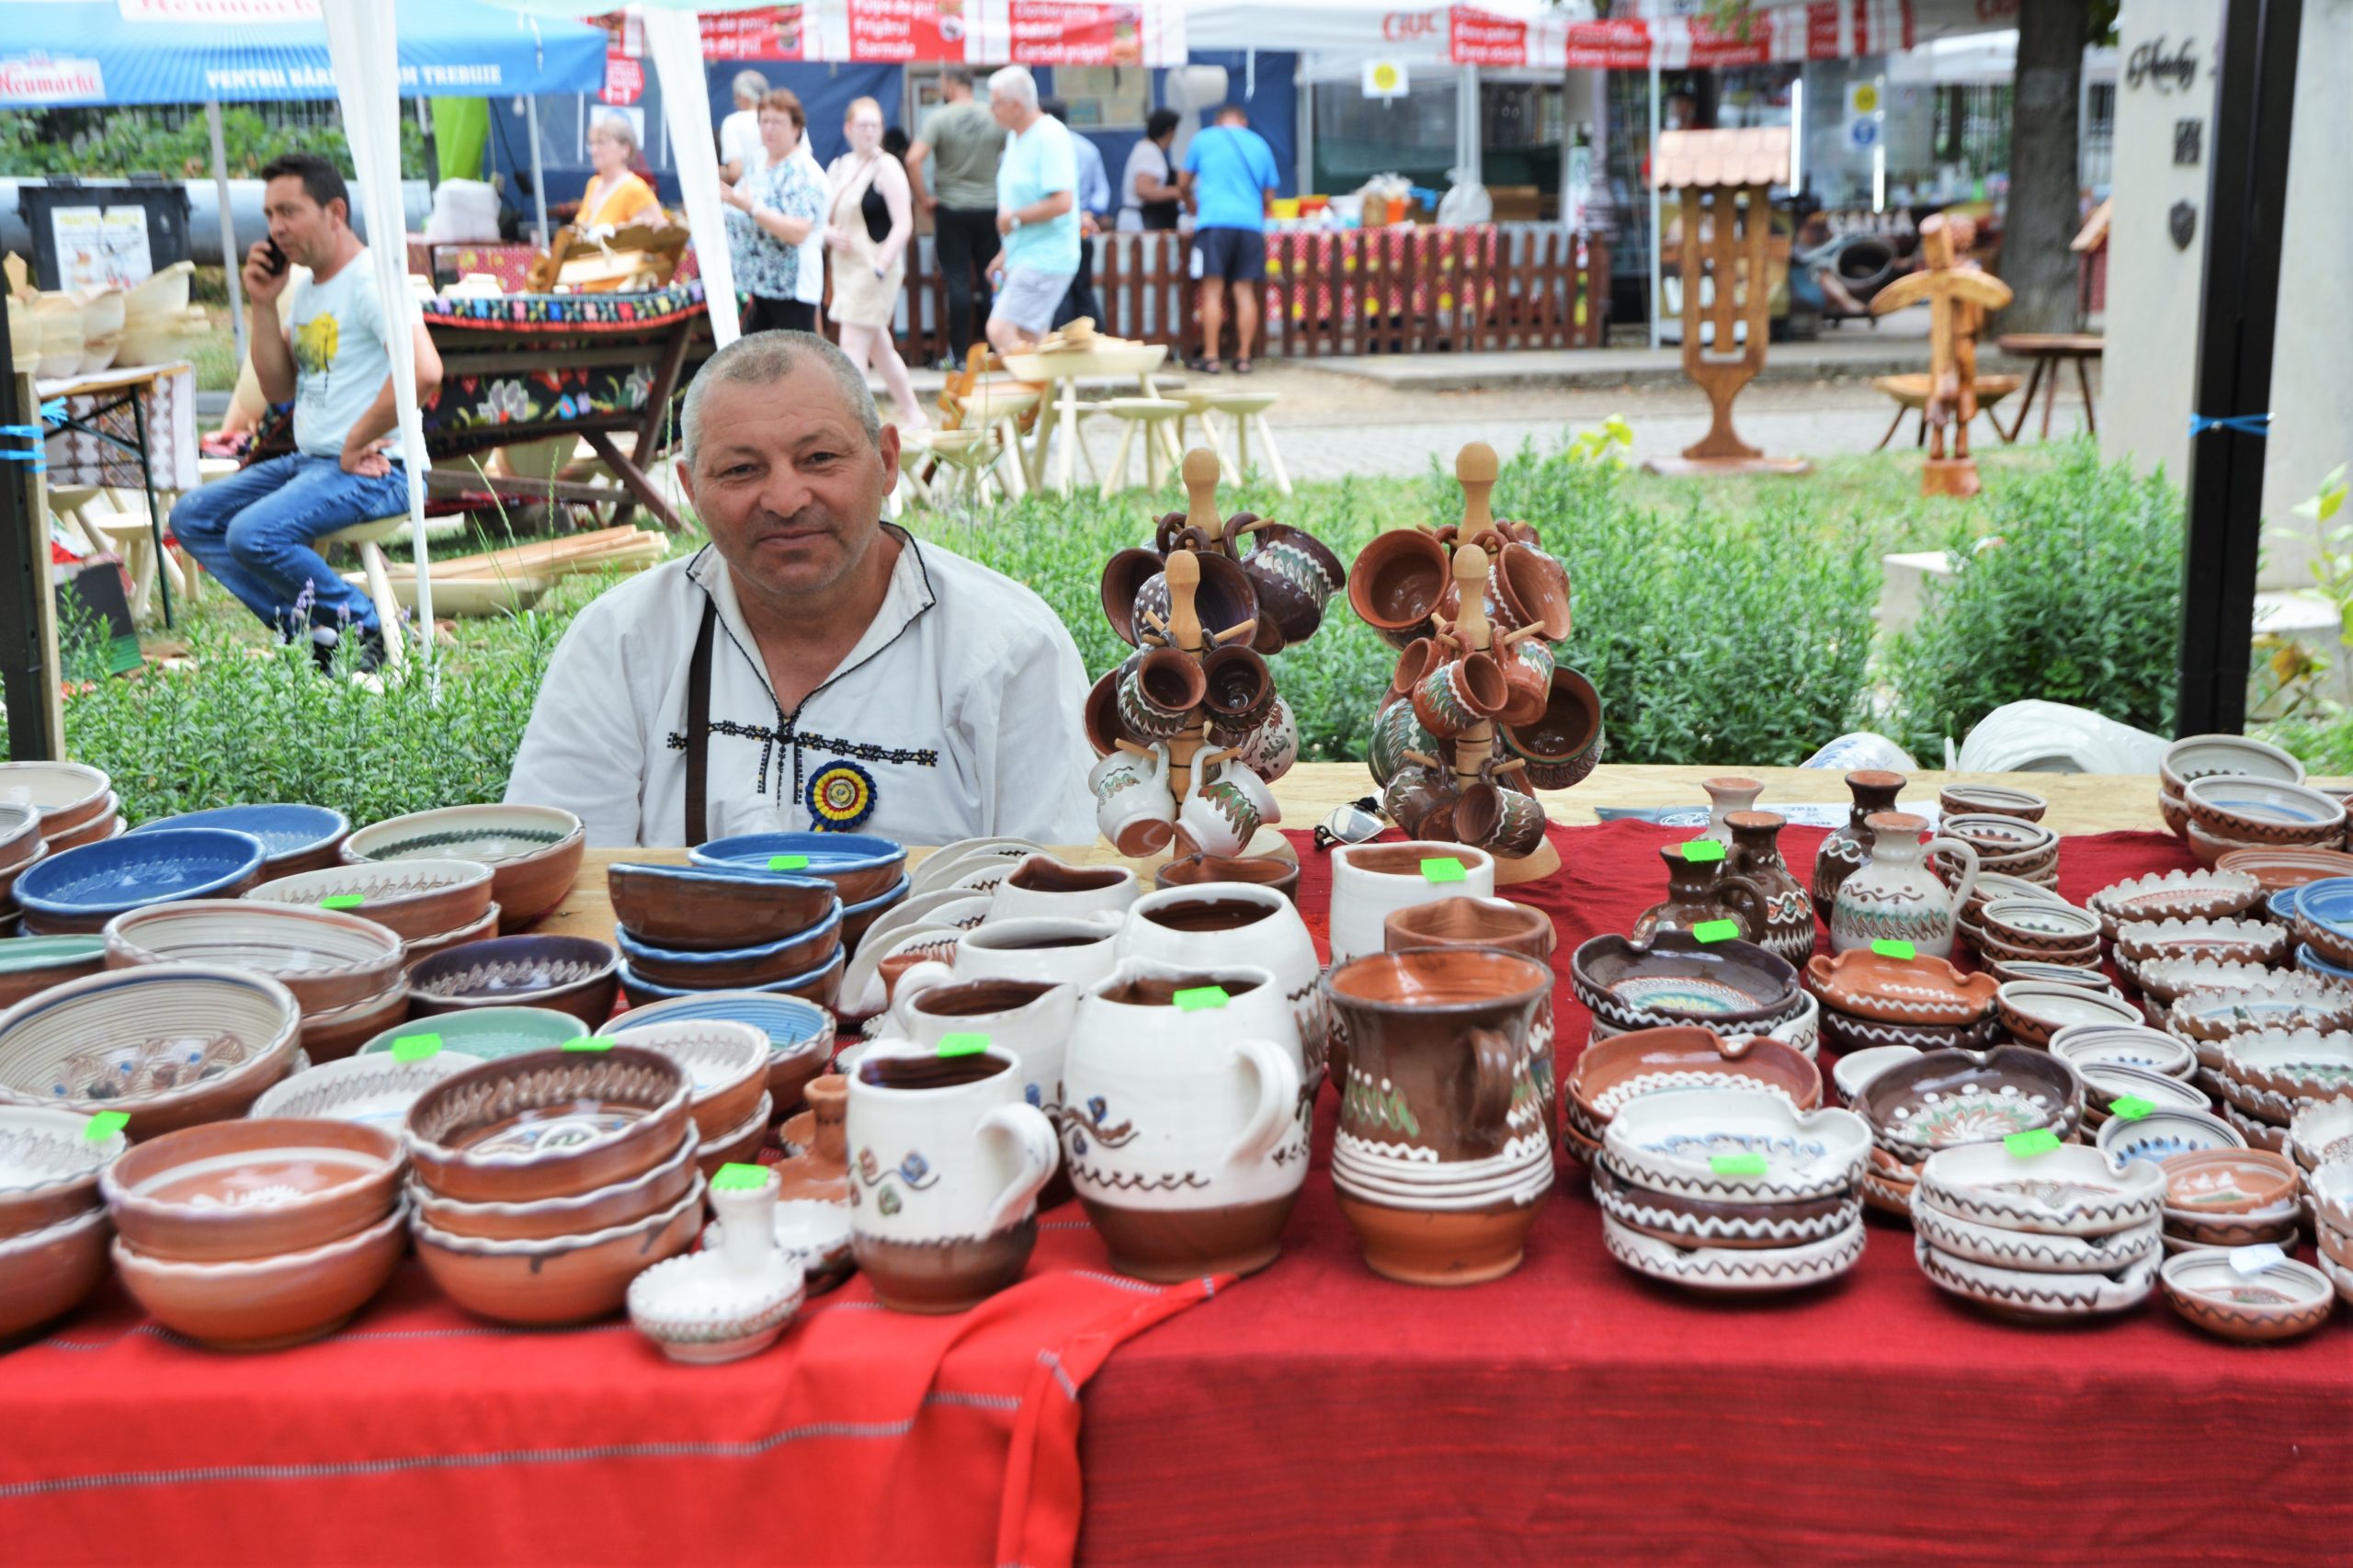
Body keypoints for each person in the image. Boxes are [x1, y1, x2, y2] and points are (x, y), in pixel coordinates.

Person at [505, 331, 1096, 847]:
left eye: (819, 457)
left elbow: (1057, 894)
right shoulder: (621, 641)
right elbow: (568, 882)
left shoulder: (1009, 649)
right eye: (741, 470)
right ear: (689, 487)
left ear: (887, 461)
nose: (785, 500)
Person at [169, 153, 442, 674]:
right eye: (270, 214)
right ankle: (313, 633)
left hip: (384, 471)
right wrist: (264, 305)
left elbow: (424, 371)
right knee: (193, 517)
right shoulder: (312, 287)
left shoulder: (368, 279)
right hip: (316, 463)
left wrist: (358, 437)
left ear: (335, 211)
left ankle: (364, 627)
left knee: (251, 533)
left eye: (289, 211)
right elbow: (277, 388)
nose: (275, 228)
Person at [824, 97, 928, 436]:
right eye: (862, 125)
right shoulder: (839, 166)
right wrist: (828, 233)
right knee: (879, 348)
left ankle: (852, 421)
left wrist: (882, 265)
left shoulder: (888, 167)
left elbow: (904, 224)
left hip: (874, 267)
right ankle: (914, 413)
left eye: (875, 125)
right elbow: (821, 216)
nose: (869, 132)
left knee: (853, 343)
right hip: (845, 266)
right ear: (848, 128)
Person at [905, 65, 1004, 367]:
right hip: (990, 207)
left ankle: (959, 357)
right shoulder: (994, 116)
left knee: (958, 281)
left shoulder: (938, 118)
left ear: (949, 84)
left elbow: (912, 159)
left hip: (952, 208)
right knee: (993, 281)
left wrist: (924, 199)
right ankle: (998, 350)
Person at [983, 66, 1077, 357]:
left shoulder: (1049, 136)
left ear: (1016, 105)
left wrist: (1015, 218)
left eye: (995, 103)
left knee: (1000, 330)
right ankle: (1042, 399)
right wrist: (1005, 253)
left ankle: (1035, 392)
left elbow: (1063, 203)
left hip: (1047, 256)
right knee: (1029, 340)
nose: (991, 110)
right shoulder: (1015, 137)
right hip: (1027, 253)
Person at [1180, 105, 1279, 375]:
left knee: (1212, 291)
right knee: (1244, 292)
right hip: (1249, 226)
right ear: (1244, 122)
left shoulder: (1203, 138)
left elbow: (1183, 180)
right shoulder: (1260, 144)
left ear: (1217, 121)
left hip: (1213, 223)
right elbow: (1269, 194)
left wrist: (1190, 203)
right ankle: (1244, 357)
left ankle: (1211, 357)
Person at [722, 89, 829, 335]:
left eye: (778, 122)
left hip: (790, 288)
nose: (769, 128)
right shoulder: (759, 161)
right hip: (754, 287)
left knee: (798, 364)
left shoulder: (804, 172)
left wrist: (753, 208)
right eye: (764, 121)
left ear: (796, 128)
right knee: (752, 365)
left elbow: (798, 231)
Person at [1041, 98, 1109, 330]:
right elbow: (1102, 192)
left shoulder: (1043, 148)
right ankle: (1096, 338)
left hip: (1052, 230)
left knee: (1058, 290)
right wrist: (1089, 213)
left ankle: (1061, 343)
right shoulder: (1088, 148)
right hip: (1083, 229)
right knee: (1083, 288)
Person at [579, 114, 665, 229]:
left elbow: (660, 236)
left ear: (625, 149)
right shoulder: (593, 184)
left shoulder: (635, 189)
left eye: (601, 142)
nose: (594, 150)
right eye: (592, 143)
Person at [1118, 108, 1183, 233]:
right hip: (1139, 223)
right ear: (1170, 131)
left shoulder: (1147, 149)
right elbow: (1143, 190)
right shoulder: (1149, 152)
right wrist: (1176, 192)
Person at [718, 70, 769, 186]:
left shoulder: (732, 123)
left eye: (736, 97)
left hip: (747, 197)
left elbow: (735, 172)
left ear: (743, 96)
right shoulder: (783, 119)